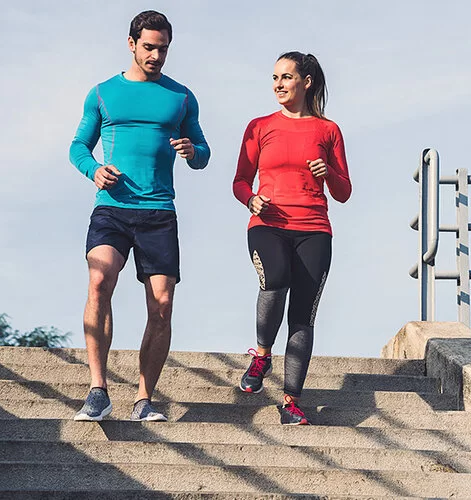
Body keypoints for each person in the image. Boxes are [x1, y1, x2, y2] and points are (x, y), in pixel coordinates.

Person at [68, 10, 210, 422]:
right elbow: (78, 145)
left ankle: (144, 399)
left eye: (163, 48)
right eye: (149, 47)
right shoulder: (102, 93)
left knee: (162, 305)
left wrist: (191, 151)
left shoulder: (181, 97)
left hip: (159, 212)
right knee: (99, 279)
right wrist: (93, 170)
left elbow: (203, 153)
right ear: (131, 44)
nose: (156, 55)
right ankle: (98, 391)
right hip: (112, 208)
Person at [232, 51, 352, 425]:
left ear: (307, 82)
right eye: (274, 78)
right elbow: (239, 181)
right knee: (276, 278)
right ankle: (263, 355)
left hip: (314, 229)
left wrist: (328, 170)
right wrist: (251, 199)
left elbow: (344, 191)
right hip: (267, 224)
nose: (278, 84)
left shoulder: (328, 130)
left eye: (286, 77)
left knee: (303, 316)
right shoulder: (259, 126)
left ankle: (291, 402)